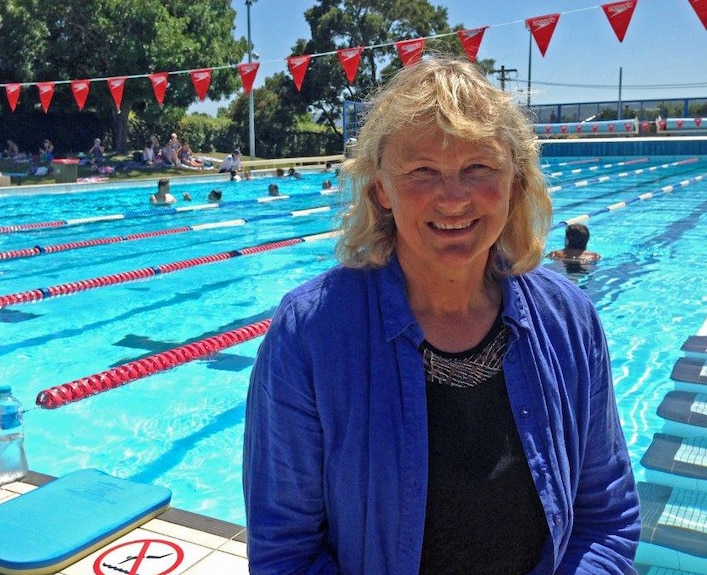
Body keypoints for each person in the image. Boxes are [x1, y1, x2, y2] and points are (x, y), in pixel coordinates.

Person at [243, 55, 640, 575]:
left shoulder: (569, 321)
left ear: (515, 181)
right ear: (380, 188)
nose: (453, 198)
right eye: (422, 171)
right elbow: (285, 552)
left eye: (479, 167)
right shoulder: (311, 334)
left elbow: (606, 517)